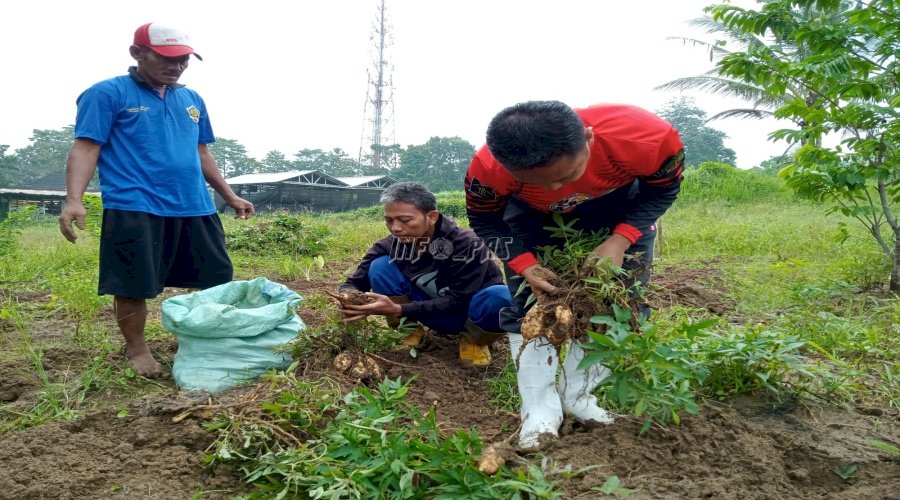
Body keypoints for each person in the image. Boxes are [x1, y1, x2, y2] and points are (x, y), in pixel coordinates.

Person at [464, 101, 685, 450]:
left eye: (566, 177)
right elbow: (485, 220)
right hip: (532, 221)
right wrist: (524, 264)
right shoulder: (487, 170)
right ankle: (538, 413)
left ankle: (580, 396)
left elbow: (663, 189)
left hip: (619, 211)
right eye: (535, 182)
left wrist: (621, 239)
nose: (556, 192)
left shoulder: (647, 138)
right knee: (532, 313)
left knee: (618, 306)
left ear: (589, 138)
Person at [58, 23, 254, 377]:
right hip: (135, 205)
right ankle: (137, 350)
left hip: (195, 205)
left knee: (215, 276)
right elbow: (86, 147)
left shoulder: (192, 100)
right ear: (137, 53)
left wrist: (229, 195)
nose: (176, 67)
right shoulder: (106, 94)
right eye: (166, 59)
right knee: (133, 283)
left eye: (183, 61)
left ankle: (200, 338)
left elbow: (202, 152)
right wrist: (74, 199)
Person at [339, 182, 513, 366]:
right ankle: (409, 331)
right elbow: (354, 282)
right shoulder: (390, 245)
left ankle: (474, 342)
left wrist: (399, 309)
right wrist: (347, 297)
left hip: (469, 314)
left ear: (431, 217)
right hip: (428, 311)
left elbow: (458, 300)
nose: (395, 228)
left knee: (501, 296)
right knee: (380, 266)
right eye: (389, 220)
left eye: (405, 220)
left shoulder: (467, 245)